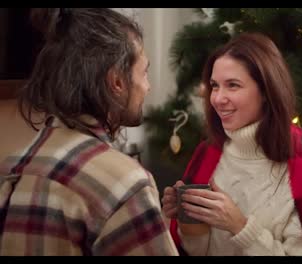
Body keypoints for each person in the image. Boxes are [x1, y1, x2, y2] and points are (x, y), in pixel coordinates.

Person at [0, 8, 178, 256]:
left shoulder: (14, 164)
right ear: (116, 82)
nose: (148, 87)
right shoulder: (125, 184)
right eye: (144, 72)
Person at [162, 32, 302, 256]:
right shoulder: (207, 153)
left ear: (266, 91)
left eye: (232, 85)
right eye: (215, 86)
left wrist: (240, 226)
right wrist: (188, 221)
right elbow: (196, 251)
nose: (217, 98)